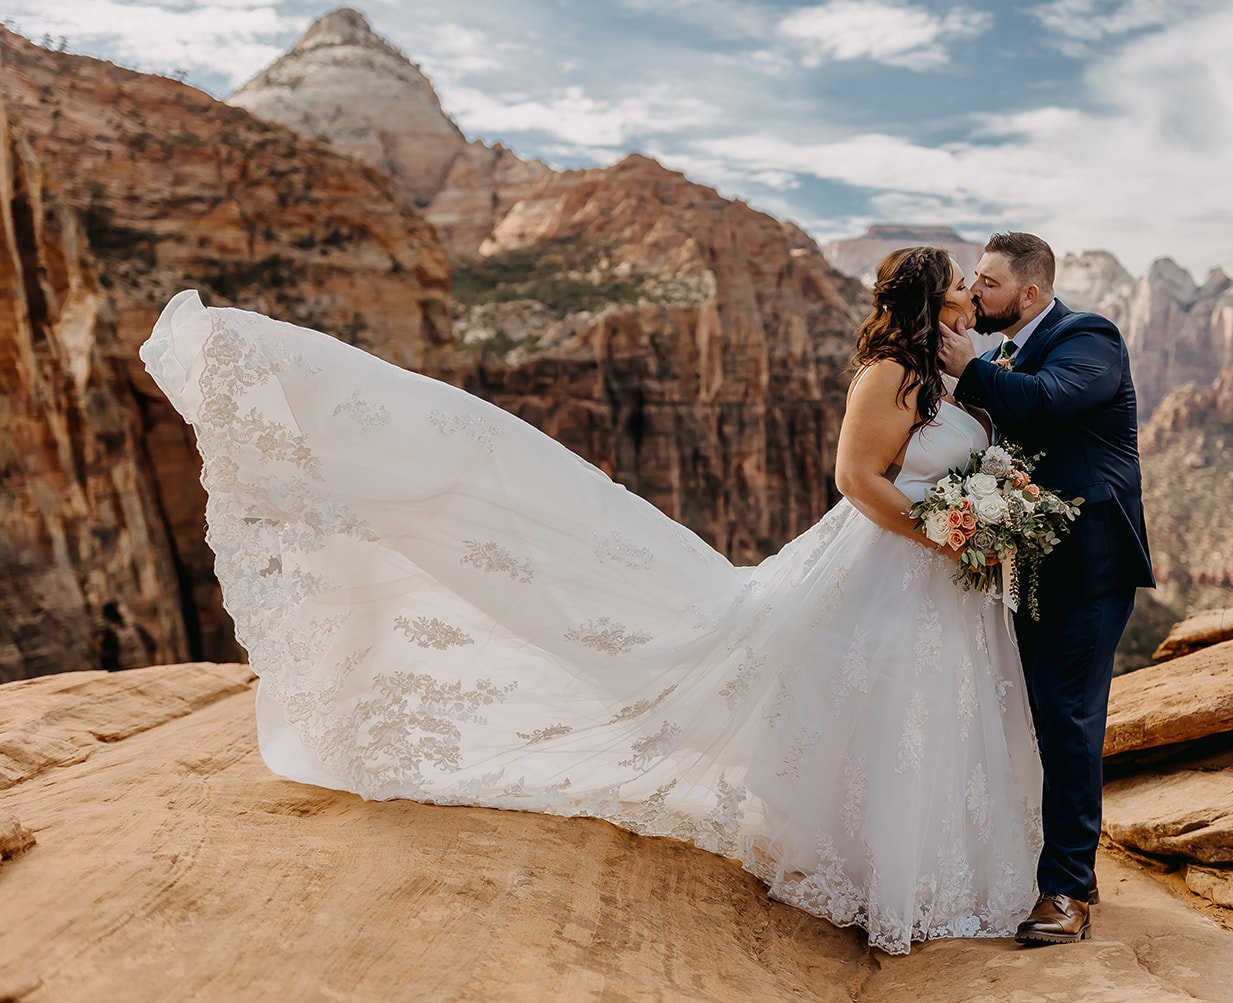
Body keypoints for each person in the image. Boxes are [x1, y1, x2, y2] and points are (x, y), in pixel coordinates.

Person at [140, 245, 1042, 955]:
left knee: (924, 713)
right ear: (929, 302)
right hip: (892, 565)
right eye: (958, 288)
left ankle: (929, 873)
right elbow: (855, 478)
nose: (971, 296)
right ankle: (884, 880)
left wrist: (985, 511)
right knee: (885, 705)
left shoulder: (952, 373)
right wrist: (949, 533)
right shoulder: (888, 376)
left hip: (940, 583)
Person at [939, 231, 1153, 945]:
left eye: (990, 283)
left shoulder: (1089, 336)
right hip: (1028, 567)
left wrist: (970, 369)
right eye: (973, 278)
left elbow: (1047, 402)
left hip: (1089, 567)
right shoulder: (1008, 352)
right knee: (1034, 716)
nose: (976, 291)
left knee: (1068, 720)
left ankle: (1065, 891)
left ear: (1029, 294)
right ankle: (1068, 867)